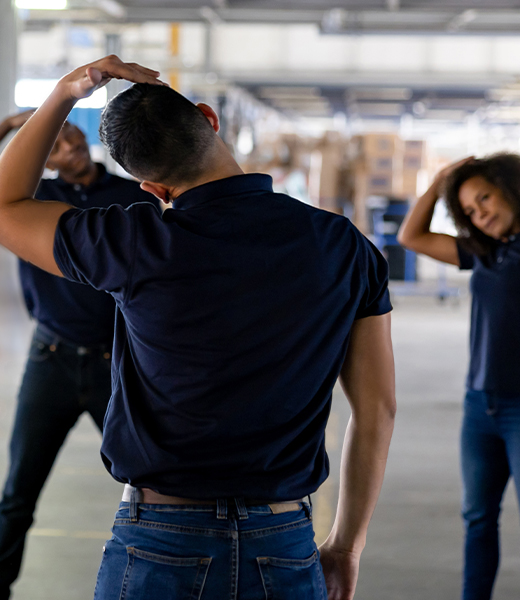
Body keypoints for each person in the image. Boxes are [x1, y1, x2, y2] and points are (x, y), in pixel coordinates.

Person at [0, 56, 396, 600]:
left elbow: (6, 203)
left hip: (159, 537)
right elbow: (377, 409)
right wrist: (346, 546)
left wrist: (69, 91)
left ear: (151, 186)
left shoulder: (132, 242)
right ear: (210, 119)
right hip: (283, 540)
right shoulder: (344, 245)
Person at [0, 110, 158, 600]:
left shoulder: (133, 197)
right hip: (50, 360)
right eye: (55, 142)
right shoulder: (33, 200)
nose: (68, 144)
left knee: (152, 484)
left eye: (71, 134)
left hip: (117, 362)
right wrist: (17, 124)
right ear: (40, 159)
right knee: (17, 494)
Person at [398, 154, 520, 600]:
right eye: (468, 209)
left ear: (509, 186)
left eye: (484, 197)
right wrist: (435, 187)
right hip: (480, 408)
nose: (480, 213)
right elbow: (411, 236)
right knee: (478, 518)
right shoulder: (486, 251)